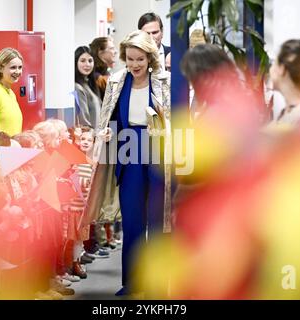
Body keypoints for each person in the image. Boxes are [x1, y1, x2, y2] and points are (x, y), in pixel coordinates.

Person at [86, 30, 172, 296]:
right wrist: (108, 133)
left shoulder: (164, 81)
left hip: (157, 150)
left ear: (150, 59)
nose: (134, 65)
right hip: (127, 150)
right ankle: (133, 283)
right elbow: (108, 119)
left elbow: (175, 118)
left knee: (157, 223)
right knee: (133, 222)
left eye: (140, 60)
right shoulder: (116, 82)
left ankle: (158, 283)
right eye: (130, 59)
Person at [0, 48, 24, 137]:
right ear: (1, 68)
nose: (17, 71)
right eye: (13, 67)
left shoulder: (11, 93)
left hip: (12, 148)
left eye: (20, 67)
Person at [74, 46, 102, 129]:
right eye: (82, 61)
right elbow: (84, 123)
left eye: (90, 61)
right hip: (90, 139)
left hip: (98, 138)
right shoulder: (77, 88)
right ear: (76, 63)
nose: (87, 64)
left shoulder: (90, 85)